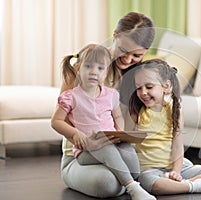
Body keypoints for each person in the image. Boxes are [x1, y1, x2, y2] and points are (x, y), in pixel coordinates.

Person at [56, 12, 155, 198]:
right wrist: (80, 137)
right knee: (108, 184)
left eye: (137, 55)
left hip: (114, 152)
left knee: (131, 166)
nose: (127, 59)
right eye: (124, 50)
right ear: (115, 35)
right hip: (78, 157)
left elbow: (124, 124)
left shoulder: (136, 78)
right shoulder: (87, 66)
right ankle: (127, 183)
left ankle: (128, 181)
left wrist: (121, 135)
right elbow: (61, 118)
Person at [128, 59, 201, 195]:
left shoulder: (174, 109)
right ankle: (194, 186)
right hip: (150, 170)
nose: (143, 92)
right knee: (148, 181)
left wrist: (176, 172)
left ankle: (179, 183)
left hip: (177, 166)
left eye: (149, 87)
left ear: (166, 86)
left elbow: (178, 146)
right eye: (138, 88)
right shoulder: (137, 111)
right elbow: (129, 142)